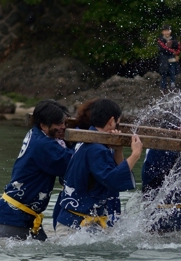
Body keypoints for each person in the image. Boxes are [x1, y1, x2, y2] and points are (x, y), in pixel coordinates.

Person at [0, 99, 73, 241]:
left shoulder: (36, 134)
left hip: (21, 215)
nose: (64, 127)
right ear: (43, 125)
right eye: (59, 124)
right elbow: (73, 163)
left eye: (65, 123)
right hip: (13, 217)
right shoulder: (43, 145)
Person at [54, 99, 142, 231]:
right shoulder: (96, 149)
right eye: (117, 122)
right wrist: (135, 154)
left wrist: (118, 150)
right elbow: (113, 180)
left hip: (79, 221)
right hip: (75, 225)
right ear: (111, 121)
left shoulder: (91, 141)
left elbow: (114, 171)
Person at [156, 25, 181, 91]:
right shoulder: (160, 40)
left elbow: (178, 47)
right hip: (163, 58)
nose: (166, 32)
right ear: (162, 32)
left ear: (170, 31)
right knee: (163, 73)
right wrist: (173, 52)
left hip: (172, 58)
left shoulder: (174, 39)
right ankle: (163, 87)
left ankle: (172, 86)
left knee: (172, 72)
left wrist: (177, 54)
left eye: (168, 31)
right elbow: (163, 49)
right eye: (165, 31)